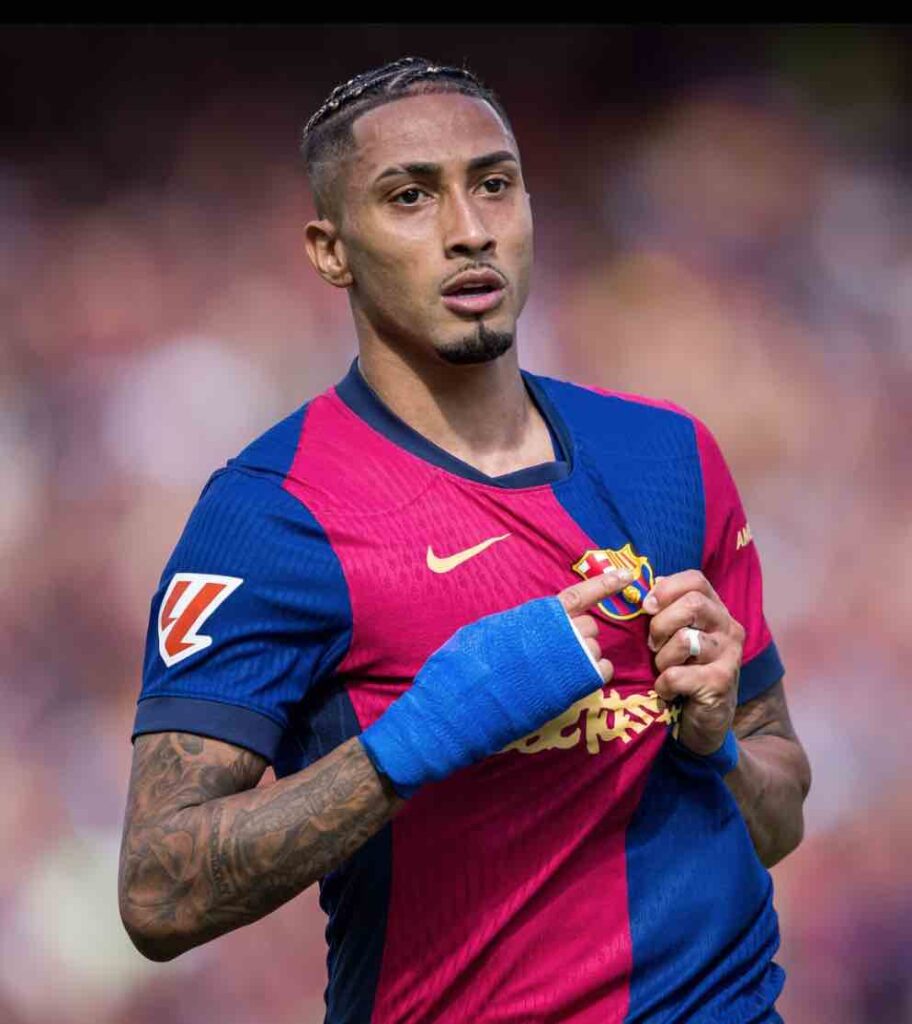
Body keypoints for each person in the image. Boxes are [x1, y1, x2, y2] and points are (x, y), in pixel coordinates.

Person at [118, 56, 811, 1023]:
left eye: (493, 184)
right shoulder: (274, 515)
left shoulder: (668, 456)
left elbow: (781, 815)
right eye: (410, 196)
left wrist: (716, 744)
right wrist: (425, 735)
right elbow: (157, 895)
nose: (468, 229)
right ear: (330, 250)